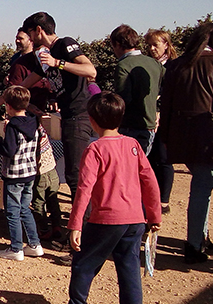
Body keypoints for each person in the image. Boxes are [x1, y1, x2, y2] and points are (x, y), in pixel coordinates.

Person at [0, 12, 97, 201]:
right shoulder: (44, 56)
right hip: (69, 117)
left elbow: (89, 70)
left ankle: (83, 225)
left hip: (79, 115)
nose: (29, 38)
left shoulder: (64, 44)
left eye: (30, 33)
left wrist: (58, 63)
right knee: (72, 173)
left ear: (38, 30)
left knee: (75, 175)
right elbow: (22, 86)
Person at [67, 91, 162, 304]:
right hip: (135, 219)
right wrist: (154, 215)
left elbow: (84, 188)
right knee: (129, 267)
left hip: (106, 220)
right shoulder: (133, 145)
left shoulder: (94, 149)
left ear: (92, 120)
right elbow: (150, 181)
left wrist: (76, 224)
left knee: (84, 264)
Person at [160, 22, 213, 264]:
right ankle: (194, 244)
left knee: (200, 187)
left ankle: (202, 236)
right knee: (201, 191)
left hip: (181, 132)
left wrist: (166, 134)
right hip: (208, 132)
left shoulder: (176, 65)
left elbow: (166, 103)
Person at [8, 27, 61, 241]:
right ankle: (41, 227)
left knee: (42, 189)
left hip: (41, 124)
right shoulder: (18, 64)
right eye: (17, 38)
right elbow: (14, 94)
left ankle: (44, 228)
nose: (17, 41)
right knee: (41, 187)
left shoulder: (43, 61)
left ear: (31, 40)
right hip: (30, 119)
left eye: (20, 38)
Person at [0, 86, 44, 261]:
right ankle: (34, 244)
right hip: (30, 172)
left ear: (8, 106)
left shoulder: (13, 126)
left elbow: (9, 150)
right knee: (24, 208)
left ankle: (16, 247)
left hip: (14, 174)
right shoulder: (33, 122)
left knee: (12, 211)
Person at [110, 24, 163, 155]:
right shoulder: (154, 63)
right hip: (149, 126)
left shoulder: (123, 66)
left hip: (130, 126)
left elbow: (123, 99)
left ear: (117, 44)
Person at [143, 28, 177, 214]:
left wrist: (161, 112)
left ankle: (164, 200)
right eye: (149, 45)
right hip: (149, 117)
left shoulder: (173, 66)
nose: (152, 48)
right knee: (151, 158)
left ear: (166, 45)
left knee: (163, 158)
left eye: (155, 44)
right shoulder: (149, 64)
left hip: (165, 117)